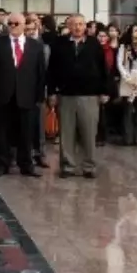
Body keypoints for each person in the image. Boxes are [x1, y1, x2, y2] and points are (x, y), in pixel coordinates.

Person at [0, 12, 47, 177]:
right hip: (2, 96)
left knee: (26, 133)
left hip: (27, 96)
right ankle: (1, 165)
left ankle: (26, 165)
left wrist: (40, 96)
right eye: (10, 23)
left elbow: (40, 73)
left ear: (24, 25)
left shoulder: (36, 46)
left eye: (16, 23)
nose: (13, 26)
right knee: (0, 132)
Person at [47, 14, 108, 178]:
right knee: (67, 134)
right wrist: (52, 92)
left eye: (81, 24)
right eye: (74, 24)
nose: (78, 27)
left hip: (89, 95)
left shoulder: (93, 44)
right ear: (69, 26)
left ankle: (89, 166)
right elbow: (52, 70)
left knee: (89, 133)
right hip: (66, 95)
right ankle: (68, 166)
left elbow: (103, 68)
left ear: (85, 26)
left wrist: (105, 91)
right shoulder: (59, 44)